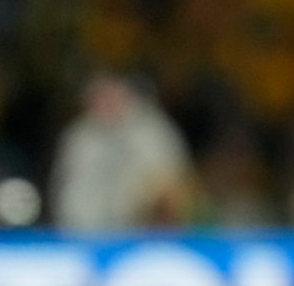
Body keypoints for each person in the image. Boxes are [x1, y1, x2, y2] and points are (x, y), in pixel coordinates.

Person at [47, 69, 196, 230]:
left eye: (111, 91)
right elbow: (65, 190)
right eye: (98, 94)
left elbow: (173, 186)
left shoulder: (154, 131)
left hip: (141, 235)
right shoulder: (78, 136)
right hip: (83, 233)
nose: (105, 100)